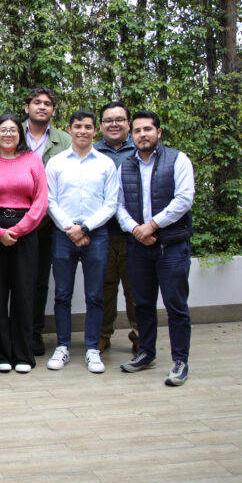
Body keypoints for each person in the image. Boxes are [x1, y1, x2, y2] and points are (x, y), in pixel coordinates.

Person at [117, 110, 195, 387]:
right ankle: (146, 353)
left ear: (158, 133)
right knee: (143, 304)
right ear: (131, 134)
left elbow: (184, 199)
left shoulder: (178, 159)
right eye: (137, 131)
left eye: (147, 129)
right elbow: (119, 206)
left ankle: (180, 361)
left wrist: (152, 225)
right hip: (139, 247)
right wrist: (137, 230)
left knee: (176, 305)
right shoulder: (125, 166)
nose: (142, 135)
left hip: (171, 246)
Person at [45, 110, 119, 374]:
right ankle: (62, 346)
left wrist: (85, 227)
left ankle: (91, 349)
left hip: (96, 234)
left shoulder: (105, 163)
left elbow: (111, 203)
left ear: (95, 130)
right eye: (78, 126)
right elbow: (50, 200)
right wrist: (71, 228)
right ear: (70, 129)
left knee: (95, 295)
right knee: (62, 294)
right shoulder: (56, 162)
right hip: (63, 235)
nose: (83, 131)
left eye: (88, 127)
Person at [0, 114, 47, 374]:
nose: (8, 134)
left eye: (13, 130)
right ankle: (0, 354)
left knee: (24, 294)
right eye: (3, 130)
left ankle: (23, 354)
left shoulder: (32, 160)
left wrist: (18, 230)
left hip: (24, 232)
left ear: (20, 135)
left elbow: (40, 201)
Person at [23, 87, 72, 357]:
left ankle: (34, 332)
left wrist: (44, 216)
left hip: (47, 224)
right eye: (37, 102)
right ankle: (0, 329)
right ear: (27, 107)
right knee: (6, 279)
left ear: (53, 110)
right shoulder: (11, 131)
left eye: (48, 104)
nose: (42, 107)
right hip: (11, 223)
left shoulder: (64, 140)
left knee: (40, 280)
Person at [94, 102, 139, 355]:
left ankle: (140, 336)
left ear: (128, 124)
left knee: (135, 289)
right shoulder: (92, 151)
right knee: (104, 288)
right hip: (102, 232)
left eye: (119, 119)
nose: (114, 124)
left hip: (134, 233)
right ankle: (102, 335)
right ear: (100, 125)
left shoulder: (139, 149)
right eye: (108, 120)